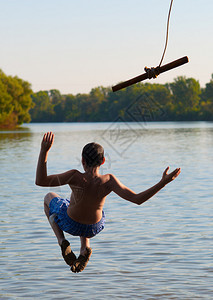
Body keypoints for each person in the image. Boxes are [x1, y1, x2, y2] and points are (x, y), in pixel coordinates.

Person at [36, 132, 181, 273]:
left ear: (83, 161)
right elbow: (138, 199)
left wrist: (44, 151)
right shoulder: (109, 181)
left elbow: (40, 181)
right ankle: (85, 248)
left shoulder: (74, 176)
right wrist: (163, 183)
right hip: (93, 228)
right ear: (103, 161)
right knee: (88, 207)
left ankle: (62, 241)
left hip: (71, 224)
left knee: (49, 197)